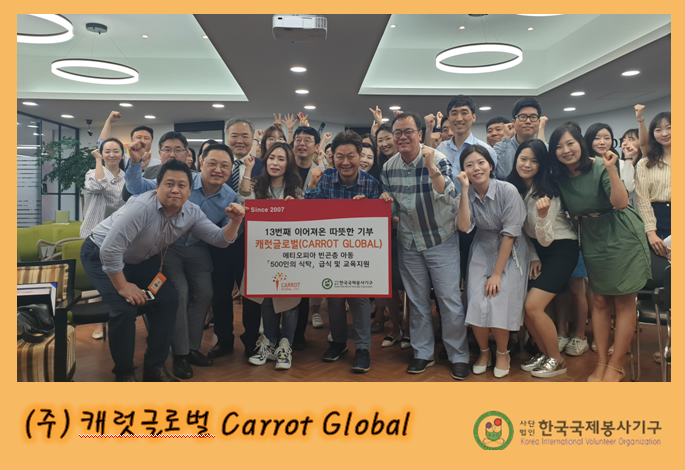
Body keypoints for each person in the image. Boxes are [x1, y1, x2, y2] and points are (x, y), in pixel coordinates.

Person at [80, 153, 245, 382]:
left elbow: (219, 239)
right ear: (157, 186)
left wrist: (235, 221)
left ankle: (154, 367)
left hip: (139, 259)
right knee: (124, 309)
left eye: (181, 185)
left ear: (190, 191)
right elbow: (110, 250)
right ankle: (124, 373)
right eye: (169, 184)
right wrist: (124, 286)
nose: (175, 190)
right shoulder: (141, 207)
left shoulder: (191, 212)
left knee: (168, 299)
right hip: (100, 255)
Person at [125, 143, 239, 379]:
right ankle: (181, 355)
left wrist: (236, 222)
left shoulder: (230, 196)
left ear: (231, 169)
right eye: (212, 163)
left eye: (224, 166)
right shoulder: (181, 180)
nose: (218, 170)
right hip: (169, 247)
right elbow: (136, 187)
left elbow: (221, 235)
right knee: (180, 293)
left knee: (205, 293)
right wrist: (135, 163)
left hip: (199, 249)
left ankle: (192, 347)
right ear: (201, 162)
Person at [549, 124, 651, 382]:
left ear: (581, 144)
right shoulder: (560, 178)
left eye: (570, 143)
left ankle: (616, 365)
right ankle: (602, 362)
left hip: (621, 233)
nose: (566, 150)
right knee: (600, 302)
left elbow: (621, 202)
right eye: (559, 146)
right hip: (593, 237)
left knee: (623, 302)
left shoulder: (599, 166)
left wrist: (611, 169)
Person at [380, 112, 470, 380]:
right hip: (408, 242)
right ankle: (423, 353)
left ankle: (458, 356)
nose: (402, 137)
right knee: (417, 302)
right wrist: (385, 201)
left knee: (449, 301)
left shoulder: (437, 158)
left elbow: (449, 196)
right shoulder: (389, 167)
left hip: (440, 239)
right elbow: (394, 207)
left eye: (408, 131)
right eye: (397, 132)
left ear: (420, 134)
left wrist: (431, 168)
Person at [305, 130, 384, 373]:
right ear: (332, 157)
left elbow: (379, 223)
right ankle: (338, 343)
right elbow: (311, 212)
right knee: (334, 299)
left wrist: (368, 209)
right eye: (340, 156)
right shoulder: (326, 178)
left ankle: (362, 349)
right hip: (330, 252)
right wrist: (311, 186)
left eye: (351, 156)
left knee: (359, 299)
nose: (346, 162)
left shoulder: (371, 184)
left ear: (361, 156)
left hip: (361, 256)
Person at [507, 139, 580, 377]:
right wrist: (534, 255)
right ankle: (545, 353)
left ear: (542, 165)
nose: (527, 165)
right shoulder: (514, 189)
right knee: (525, 308)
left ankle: (557, 360)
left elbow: (546, 238)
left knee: (533, 306)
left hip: (561, 249)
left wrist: (541, 215)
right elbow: (520, 231)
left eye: (534, 161)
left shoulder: (549, 192)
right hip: (539, 251)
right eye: (523, 159)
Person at [456, 145, 529, 379]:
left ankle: (502, 353)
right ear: (464, 171)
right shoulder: (466, 193)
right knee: (476, 301)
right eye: (469, 165)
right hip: (481, 246)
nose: (476, 168)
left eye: (481, 162)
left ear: (490, 165)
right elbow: (464, 227)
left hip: (510, 248)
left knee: (498, 299)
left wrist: (497, 274)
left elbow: (510, 234)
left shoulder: (508, 191)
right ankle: (484, 352)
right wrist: (464, 190)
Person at [239, 143, 304, 370]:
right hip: (261, 252)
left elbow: (304, 222)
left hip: (288, 253)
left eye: (281, 159)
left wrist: (295, 209)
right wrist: (249, 169)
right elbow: (243, 199)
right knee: (266, 298)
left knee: (289, 301)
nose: (275, 163)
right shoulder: (256, 184)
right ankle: (269, 342)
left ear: (288, 164)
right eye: (272, 158)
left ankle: (286, 346)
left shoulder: (296, 189)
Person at [208, 118, 263, 359]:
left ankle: (251, 340)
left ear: (253, 139)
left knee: (251, 293)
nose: (239, 140)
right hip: (218, 239)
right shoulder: (215, 166)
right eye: (234, 135)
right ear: (226, 137)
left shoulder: (263, 167)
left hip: (252, 242)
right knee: (220, 293)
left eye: (245, 136)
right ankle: (224, 340)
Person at [635, 105, 671, 257]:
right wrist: (651, 232)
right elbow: (643, 200)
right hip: (658, 220)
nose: (664, 133)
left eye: (669, 128)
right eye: (658, 130)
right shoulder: (645, 163)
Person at [122, 131, 193, 201]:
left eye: (178, 150)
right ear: (160, 153)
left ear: (186, 154)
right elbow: (134, 187)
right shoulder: (158, 182)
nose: (172, 155)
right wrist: (135, 161)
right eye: (167, 150)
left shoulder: (196, 179)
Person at [494, 97, 546, 180]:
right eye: (523, 117)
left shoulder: (546, 148)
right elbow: (503, 175)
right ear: (514, 122)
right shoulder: (500, 147)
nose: (528, 121)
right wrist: (506, 138)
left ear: (539, 122)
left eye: (533, 117)